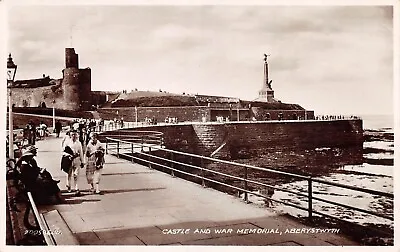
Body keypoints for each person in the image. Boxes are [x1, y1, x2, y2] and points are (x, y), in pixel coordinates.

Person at [65, 130, 85, 195]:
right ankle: (69, 185)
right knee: (69, 174)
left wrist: (82, 161)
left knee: (76, 174)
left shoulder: (78, 143)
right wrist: (69, 155)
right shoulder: (67, 142)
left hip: (77, 160)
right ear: (70, 135)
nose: (73, 136)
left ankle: (76, 188)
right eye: (72, 135)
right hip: (69, 160)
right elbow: (64, 152)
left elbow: (81, 152)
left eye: (75, 135)